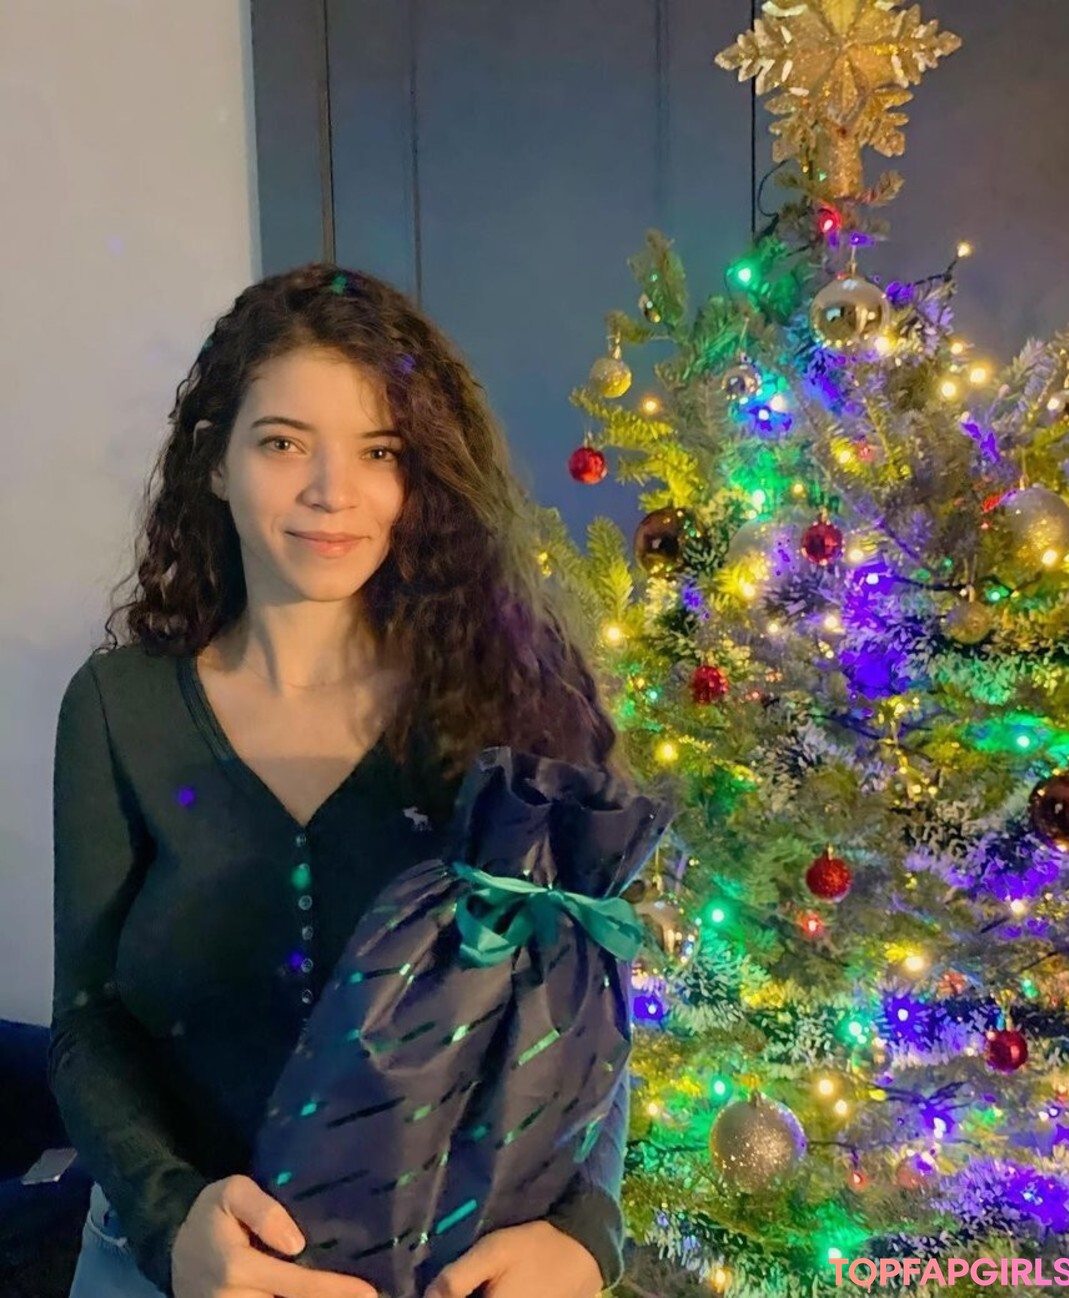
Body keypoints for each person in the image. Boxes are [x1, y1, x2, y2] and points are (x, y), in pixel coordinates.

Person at [49, 264, 633, 1298]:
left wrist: (587, 1236)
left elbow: (583, 1000)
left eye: (379, 451)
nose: (332, 492)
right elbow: (89, 1023)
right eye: (283, 443)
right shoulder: (117, 707)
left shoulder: (513, 703)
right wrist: (171, 1222)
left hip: (451, 1273)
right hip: (170, 1267)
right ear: (215, 461)